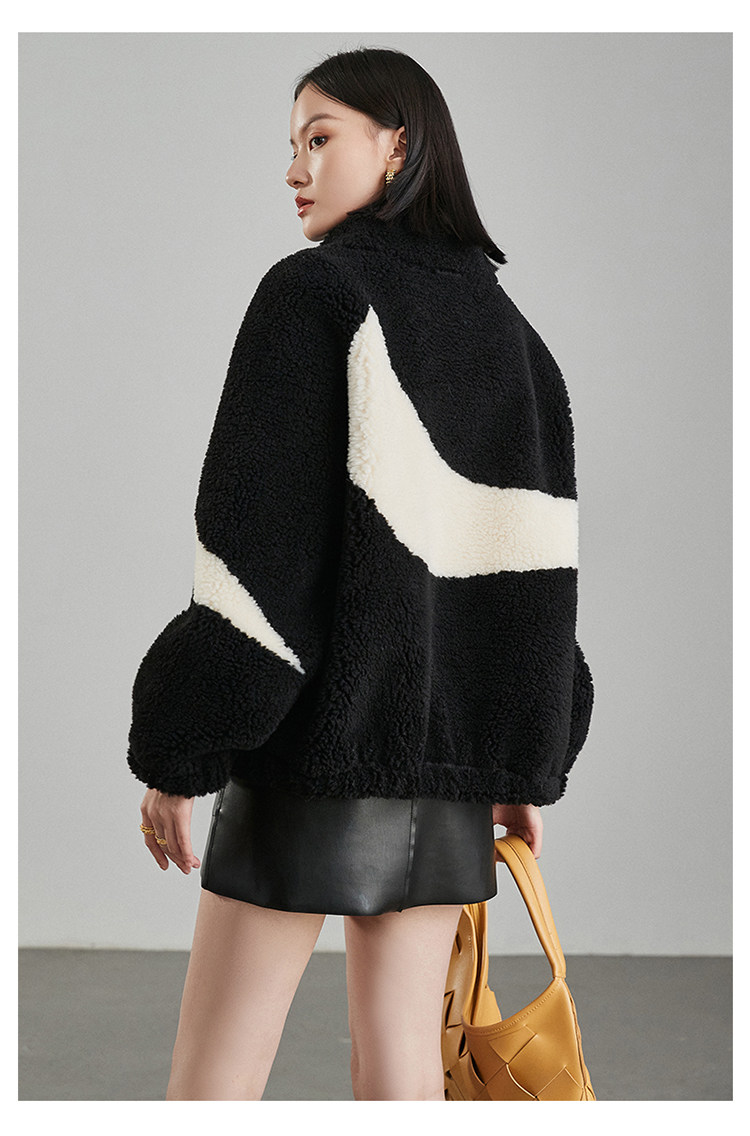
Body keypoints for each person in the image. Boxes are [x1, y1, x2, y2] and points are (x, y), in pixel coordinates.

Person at [127, 46, 595, 1101]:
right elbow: (531, 574)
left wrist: (182, 744)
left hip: (314, 753)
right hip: (443, 774)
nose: (294, 168)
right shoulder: (514, 337)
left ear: (397, 146)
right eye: (291, 144)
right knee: (401, 1079)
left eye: (319, 136)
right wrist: (516, 757)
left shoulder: (315, 297)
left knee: (212, 1086)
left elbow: (260, 552)